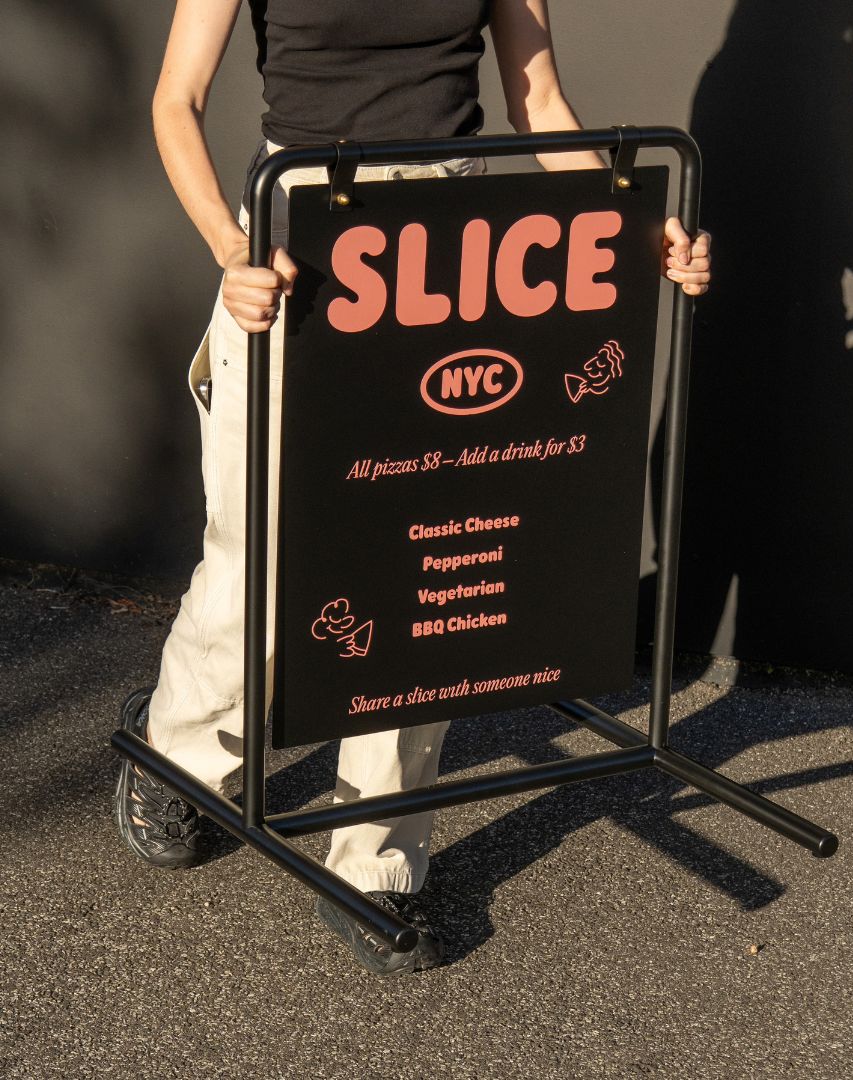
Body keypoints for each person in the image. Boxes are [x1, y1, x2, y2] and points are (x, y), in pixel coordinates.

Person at [114, 0, 712, 975]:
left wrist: (643, 230)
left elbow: (542, 100)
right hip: (299, 244)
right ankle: (177, 754)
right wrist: (231, 249)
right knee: (256, 562)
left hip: (447, 252)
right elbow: (174, 101)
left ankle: (377, 864)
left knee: (419, 576)